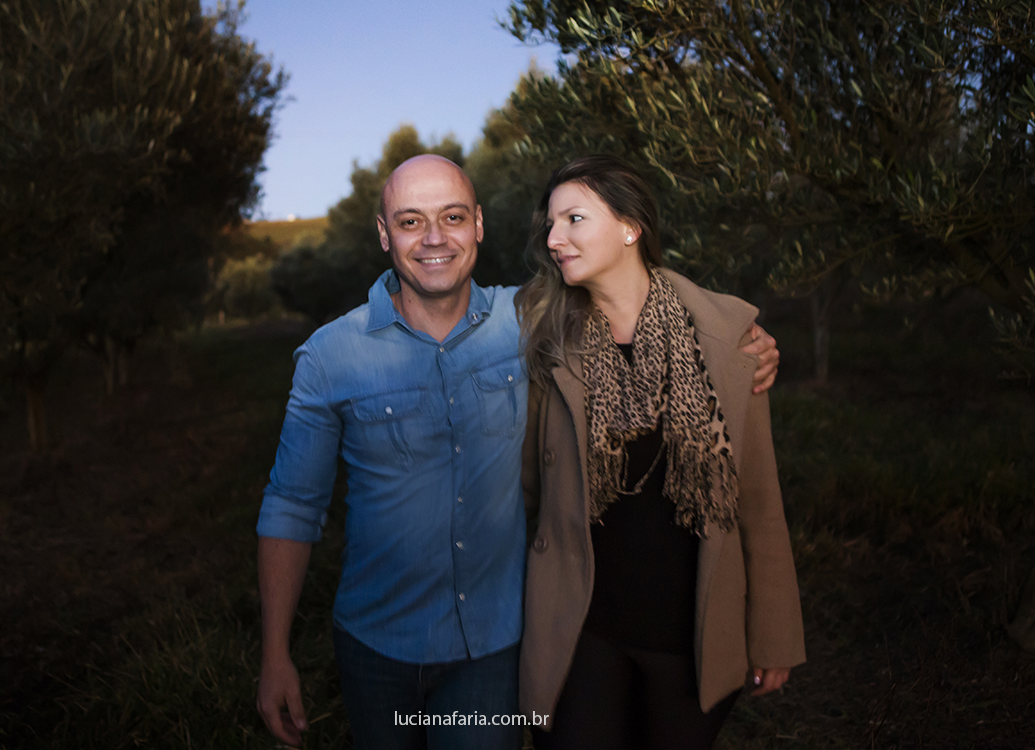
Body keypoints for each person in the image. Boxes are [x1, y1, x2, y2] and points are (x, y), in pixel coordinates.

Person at [255, 155, 782, 750]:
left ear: (479, 224)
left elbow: (630, 287)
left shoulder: (529, 319)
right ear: (384, 234)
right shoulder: (329, 356)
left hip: (494, 645)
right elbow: (291, 505)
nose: (434, 238)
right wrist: (275, 655)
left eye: (453, 217)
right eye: (410, 221)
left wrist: (738, 335)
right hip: (377, 645)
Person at [516, 156, 806, 750]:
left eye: (574, 219)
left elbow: (758, 500)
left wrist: (774, 636)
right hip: (584, 629)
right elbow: (522, 489)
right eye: (550, 224)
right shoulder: (546, 338)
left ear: (631, 227)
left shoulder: (727, 339)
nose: (553, 239)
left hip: (689, 637)